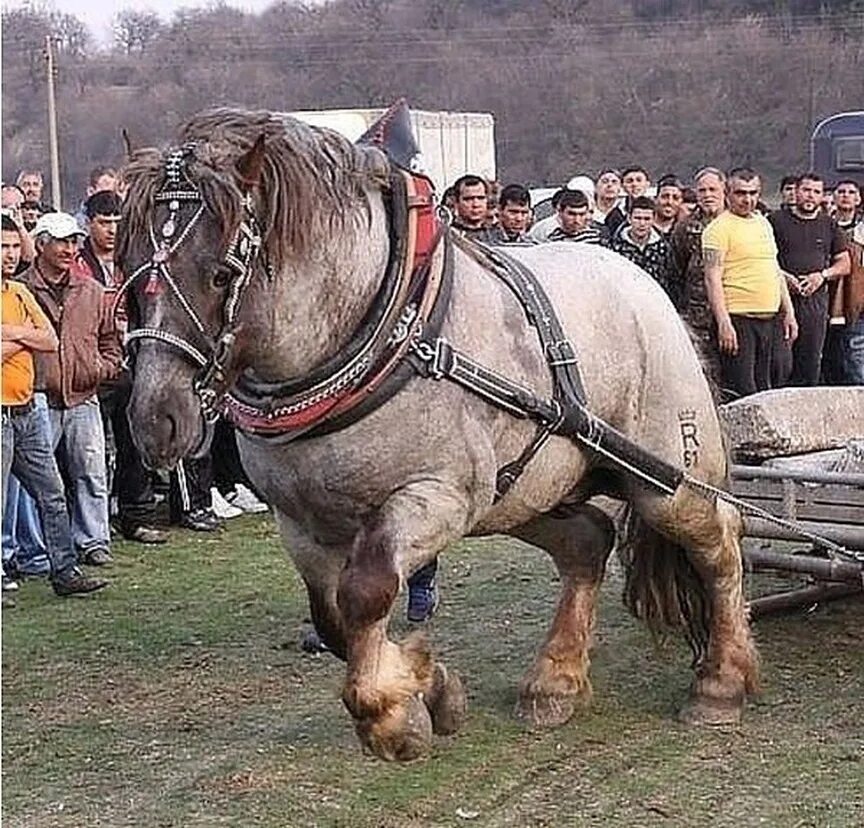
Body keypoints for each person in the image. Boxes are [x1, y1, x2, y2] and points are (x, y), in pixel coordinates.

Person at [1, 213, 108, 596]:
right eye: (3, 247)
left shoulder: (18, 293)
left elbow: (49, 340)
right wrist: (27, 337)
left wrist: (11, 334)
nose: (10, 255)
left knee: (53, 493)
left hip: (27, 410)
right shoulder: (23, 292)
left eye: (14, 246)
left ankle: (64, 571)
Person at [19, 212, 123, 566]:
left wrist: (100, 368)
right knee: (39, 483)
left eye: (74, 241)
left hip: (83, 396)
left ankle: (94, 541)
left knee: (91, 473)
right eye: (62, 241)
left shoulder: (91, 291)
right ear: (41, 243)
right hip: (37, 398)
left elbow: (111, 340)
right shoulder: (21, 289)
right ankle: (41, 550)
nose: (70, 248)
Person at [74, 192, 169, 544]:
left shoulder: (134, 260)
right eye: (104, 222)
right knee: (87, 453)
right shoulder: (76, 261)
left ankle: (136, 516)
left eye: (117, 222)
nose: (112, 230)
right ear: (89, 223)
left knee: (132, 441)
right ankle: (89, 526)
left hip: (129, 360)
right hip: (89, 366)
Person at [702, 167, 797, 398]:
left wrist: (789, 311)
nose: (748, 199)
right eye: (741, 193)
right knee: (742, 391)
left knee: (772, 383)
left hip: (769, 319)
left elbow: (774, 268)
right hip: (738, 319)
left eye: (753, 193)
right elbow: (712, 277)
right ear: (728, 193)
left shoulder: (763, 223)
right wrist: (724, 322)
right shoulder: (717, 230)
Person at [769, 172, 850, 386]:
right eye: (806, 190)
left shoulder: (829, 224)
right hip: (781, 304)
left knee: (810, 365)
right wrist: (783, 276)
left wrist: (822, 276)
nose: (810, 196)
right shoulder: (776, 221)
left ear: (822, 196)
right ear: (796, 192)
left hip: (814, 306)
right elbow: (764, 257)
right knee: (780, 365)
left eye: (816, 192)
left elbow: (845, 264)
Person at [669, 167, 727, 385]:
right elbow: (676, 271)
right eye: (702, 191)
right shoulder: (684, 228)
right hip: (698, 316)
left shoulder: (736, 222)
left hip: (734, 311)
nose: (707, 195)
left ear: (724, 189)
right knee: (704, 376)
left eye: (713, 189)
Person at [609, 196, 676, 299]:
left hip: (655, 301)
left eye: (647, 219)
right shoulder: (614, 247)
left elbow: (671, 279)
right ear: (629, 218)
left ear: (653, 219)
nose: (642, 223)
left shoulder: (663, 248)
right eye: (637, 218)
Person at [449, 175, 491, 240]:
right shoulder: (447, 236)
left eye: (481, 198)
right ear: (456, 202)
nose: (476, 205)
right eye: (468, 199)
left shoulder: (499, 235)